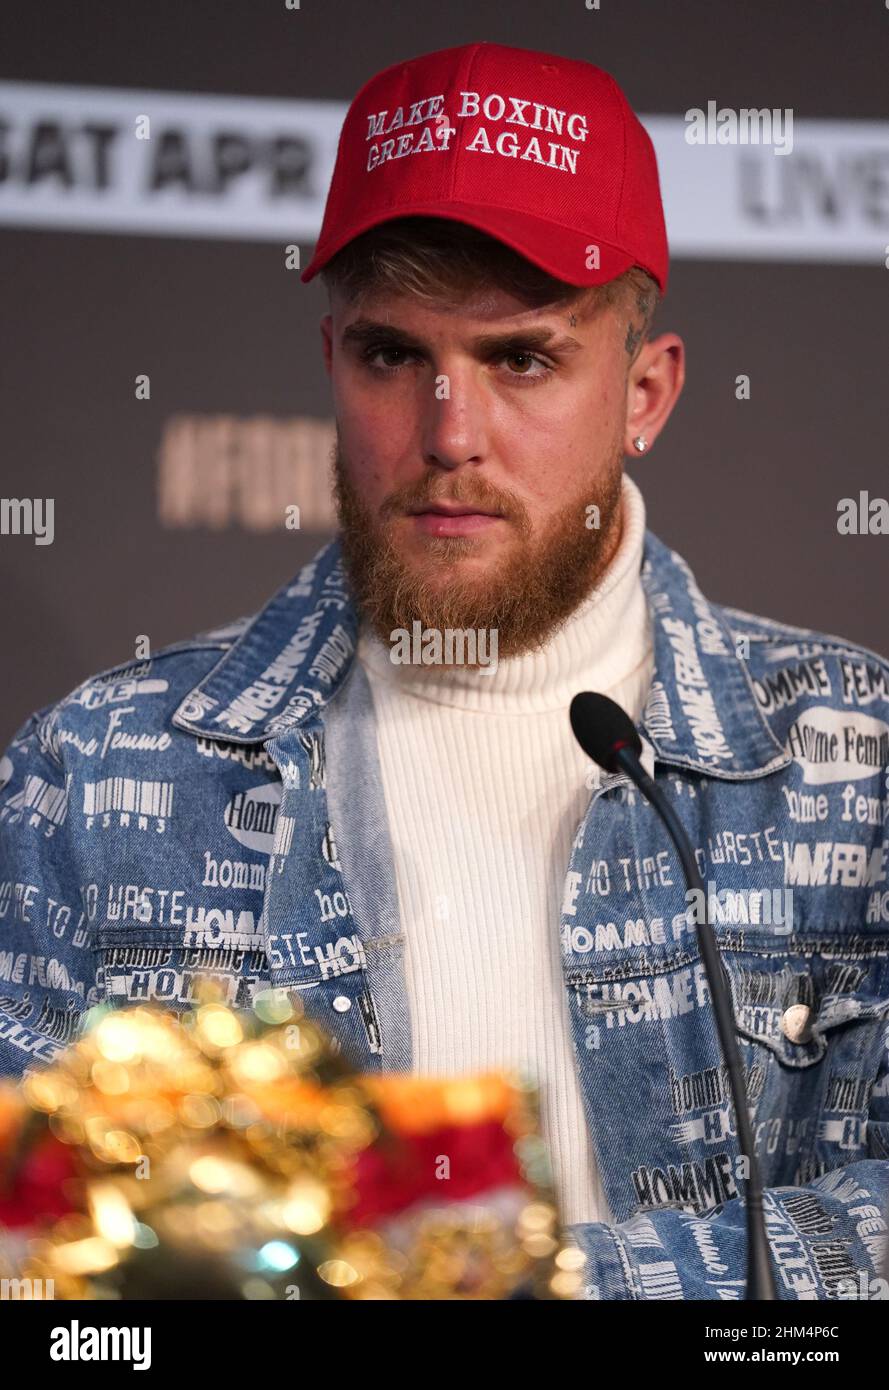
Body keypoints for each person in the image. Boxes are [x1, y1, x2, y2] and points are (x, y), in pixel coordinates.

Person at [2, 41, 888, 1300]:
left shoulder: (857, 762)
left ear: (645, 391)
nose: (447, 434)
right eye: (389, 356)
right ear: (330, 365)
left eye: (520, 358)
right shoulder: (94, 773)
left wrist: (493, 1286)